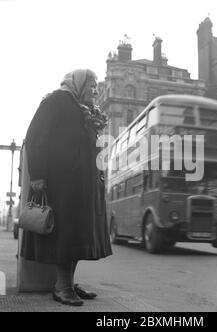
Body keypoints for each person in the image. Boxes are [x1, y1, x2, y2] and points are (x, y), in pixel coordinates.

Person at [21, 69, 112, 306]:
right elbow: (35, 137)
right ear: (78, 84)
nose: (95, 90)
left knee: (78, 234)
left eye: (96, 86)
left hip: (83, 185)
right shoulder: (55, 102)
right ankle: (61, 286)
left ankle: (69, 283)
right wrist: (38, 174)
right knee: (65, 235)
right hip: (61, 183)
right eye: (91, 85)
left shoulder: (87, 111)